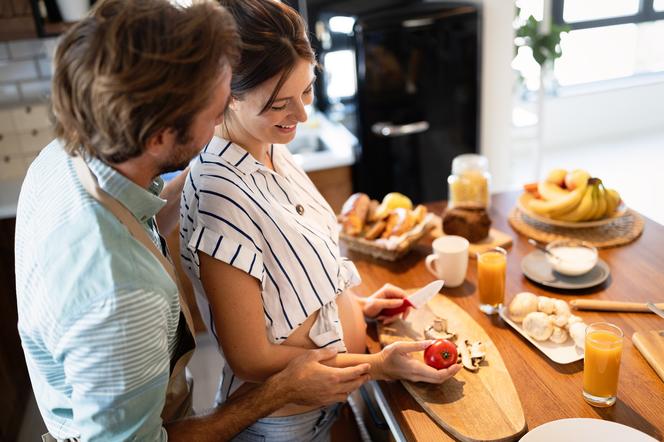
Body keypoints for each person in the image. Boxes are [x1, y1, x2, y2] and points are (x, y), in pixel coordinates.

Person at [15, 1, 372, 441]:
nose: (227, 115)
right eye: (217, 108)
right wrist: (277, 392)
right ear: (160, 137)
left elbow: (140, 210)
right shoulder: (123, 295)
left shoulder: (64, 157)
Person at [179, 0, 461, 440]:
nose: (302, 114)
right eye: (279, 104)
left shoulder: (270, 147)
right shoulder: (221, 193)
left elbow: (289, 291)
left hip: (327, 403)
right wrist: (377, 366)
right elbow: (249, 358)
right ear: (226, 94)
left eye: (306, 90)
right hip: (286, 423)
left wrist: (358, 308)